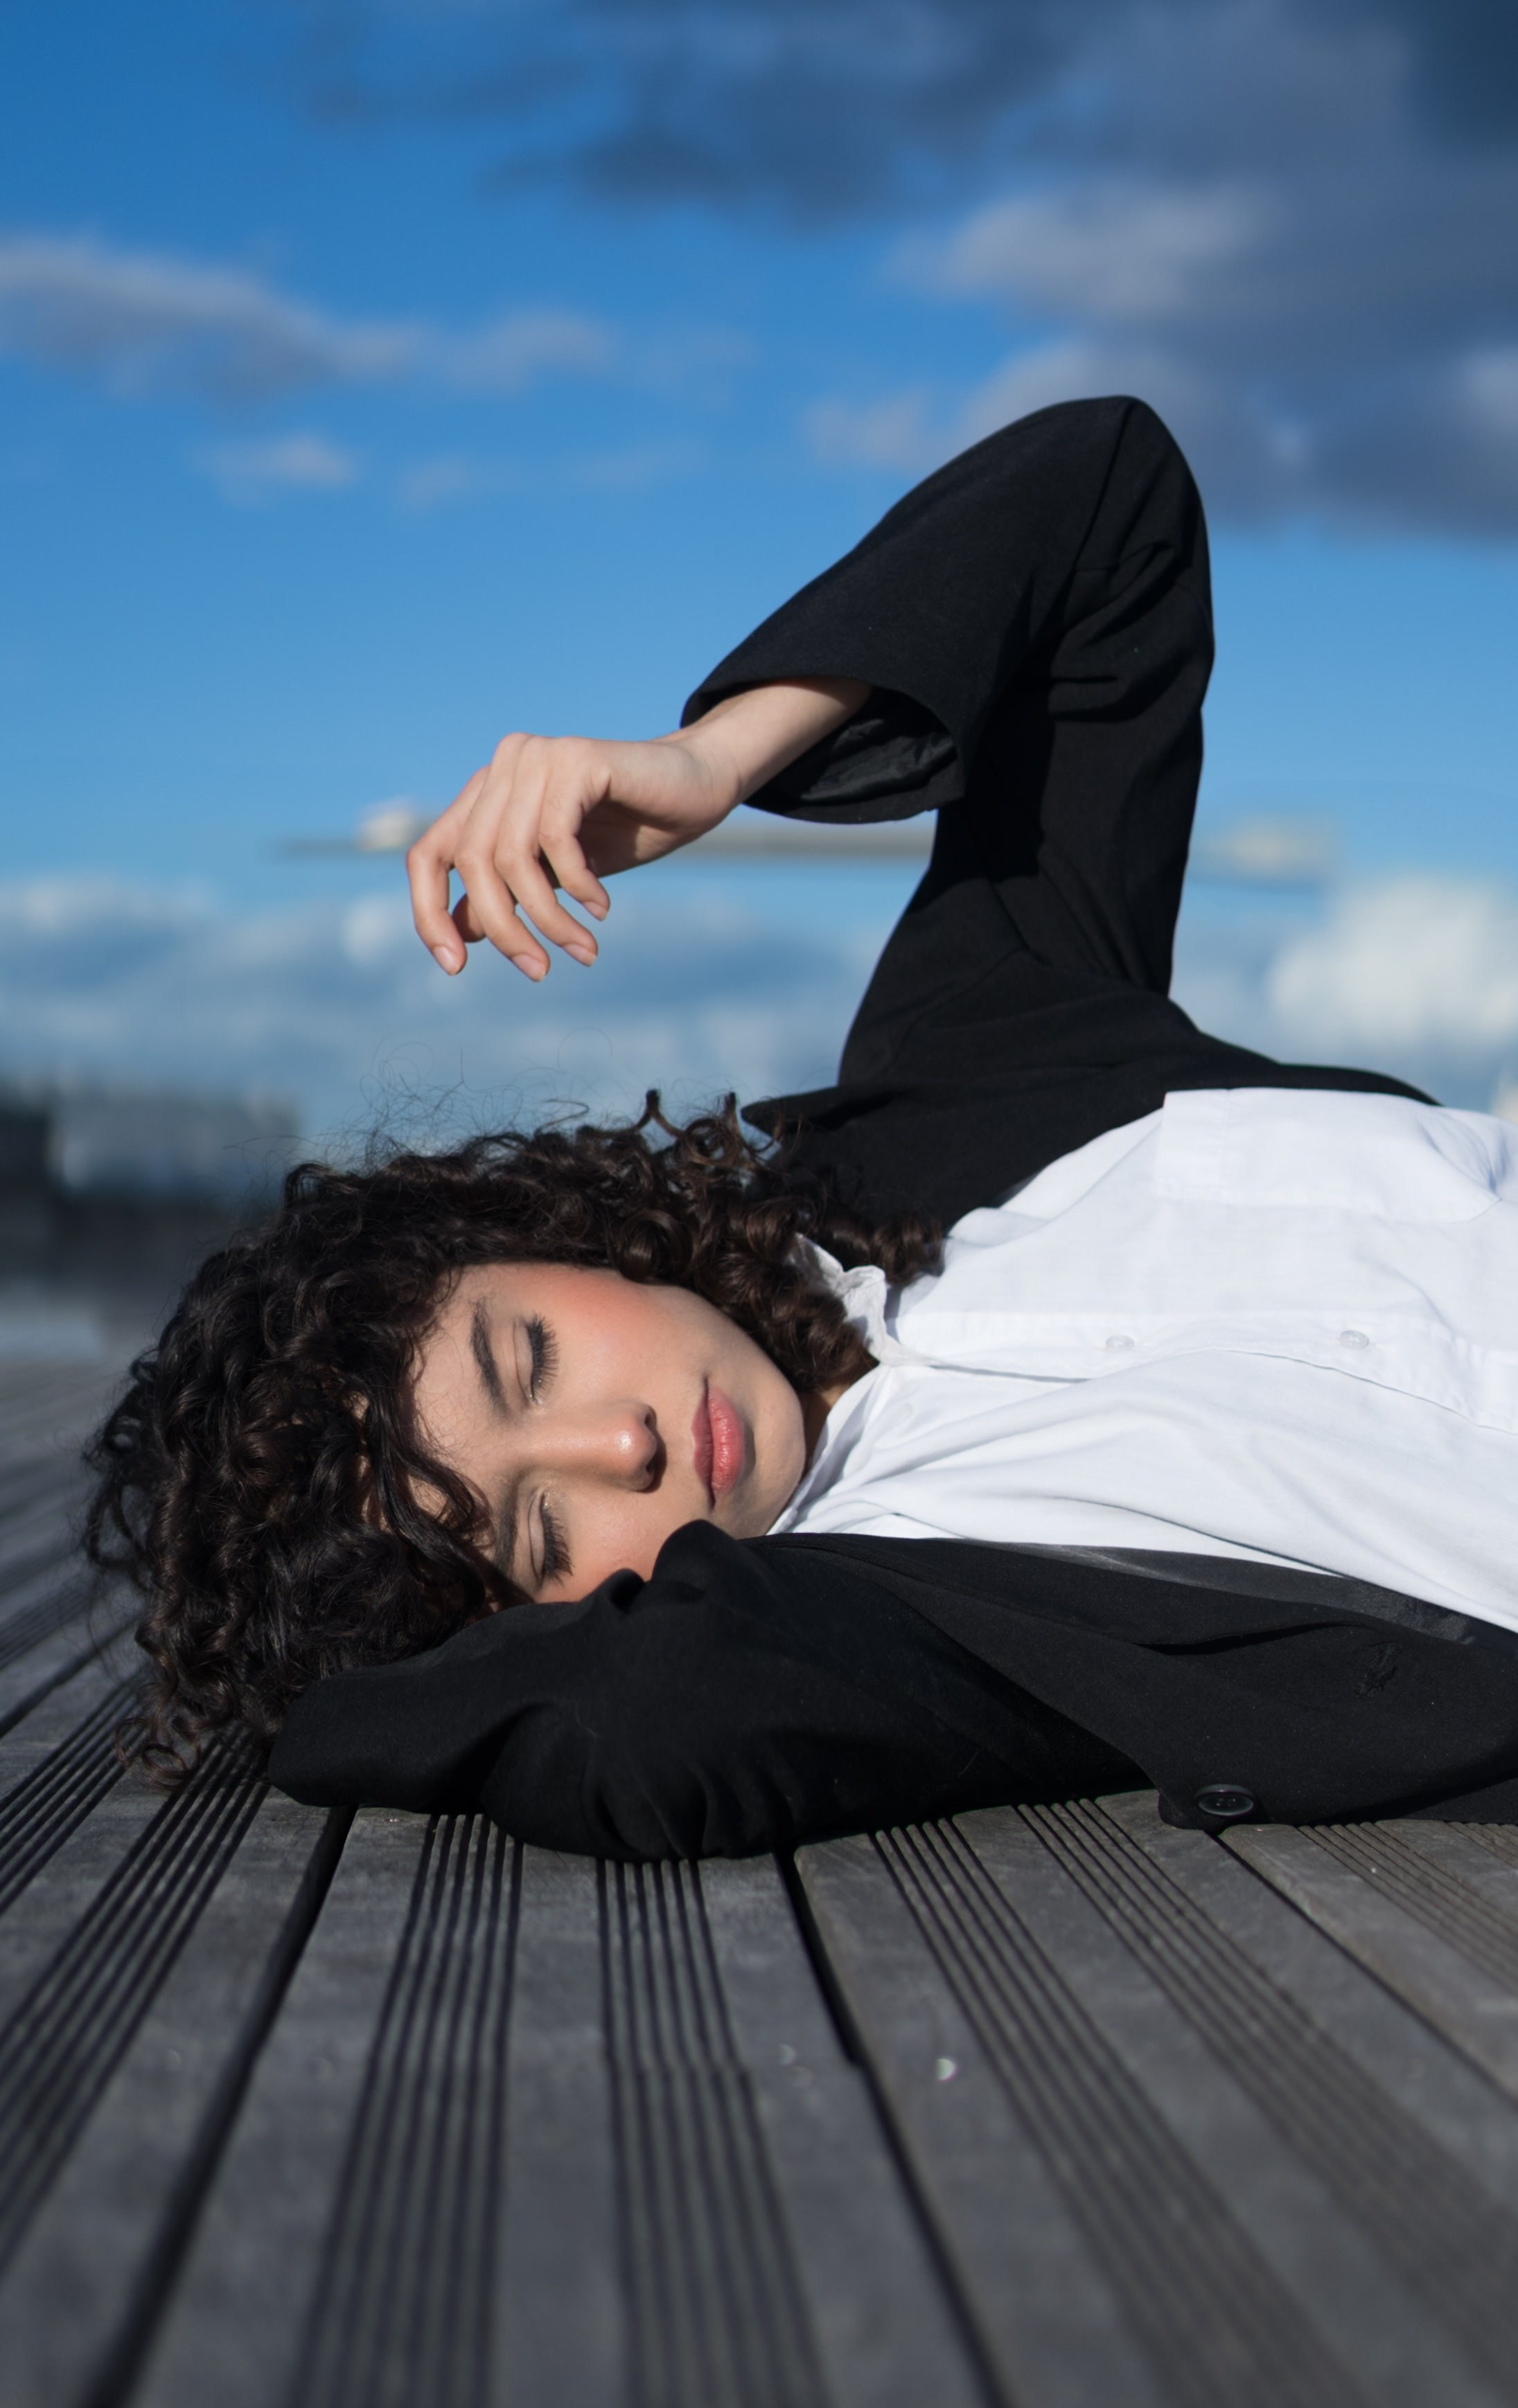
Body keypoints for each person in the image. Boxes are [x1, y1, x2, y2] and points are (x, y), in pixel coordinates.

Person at [88, 396, 1518, 1857]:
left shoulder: (957, 1070)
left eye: (531, 1356)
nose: (621, 1442)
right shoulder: (892, 1606)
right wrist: (317, 1682)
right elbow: (612, 1722)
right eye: (542, 1534)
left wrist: (717, 761)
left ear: (537, 1244)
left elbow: (1106, 494)